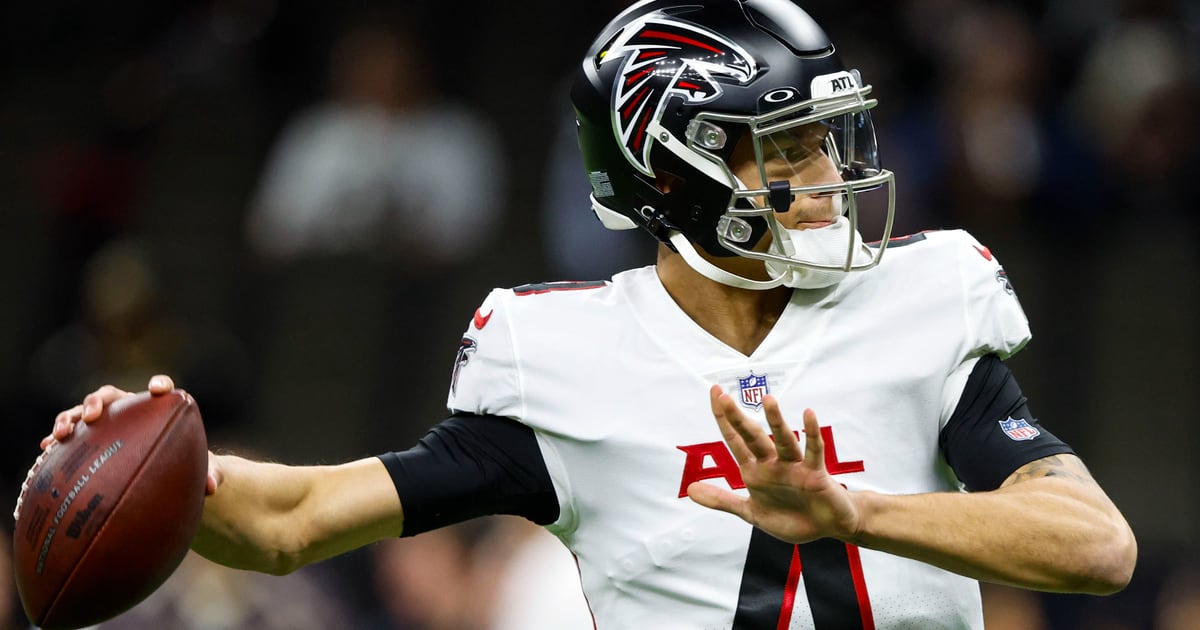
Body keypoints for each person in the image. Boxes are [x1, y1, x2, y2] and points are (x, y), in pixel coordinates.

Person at [43, 1, 1136, 628]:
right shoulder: (563, 357)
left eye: (827, 139)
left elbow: (1097, 546)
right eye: (787, 146)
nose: (831, 174)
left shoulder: (916, 302)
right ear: (677, 176)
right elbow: (292, 523)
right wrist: (154, 459)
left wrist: (857, 515)